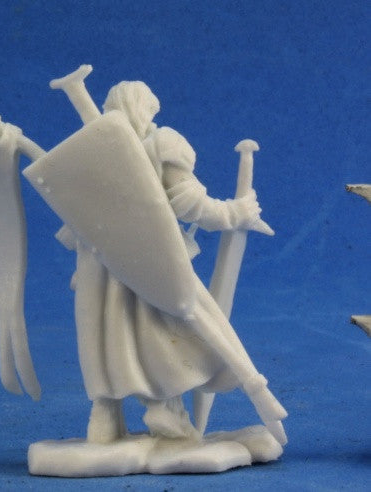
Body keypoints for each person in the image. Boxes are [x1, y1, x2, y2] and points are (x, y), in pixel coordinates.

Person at [53, 81, 271, 443]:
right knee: (160, 334)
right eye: (151, 110)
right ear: (145, 109)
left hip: (100, 267)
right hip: (150, 264)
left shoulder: (96, 155)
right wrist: (236, 213)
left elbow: (79, 219)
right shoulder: (160, 143)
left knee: (108, 337)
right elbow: (189, 204)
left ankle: (105, 418)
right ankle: (165, 407)